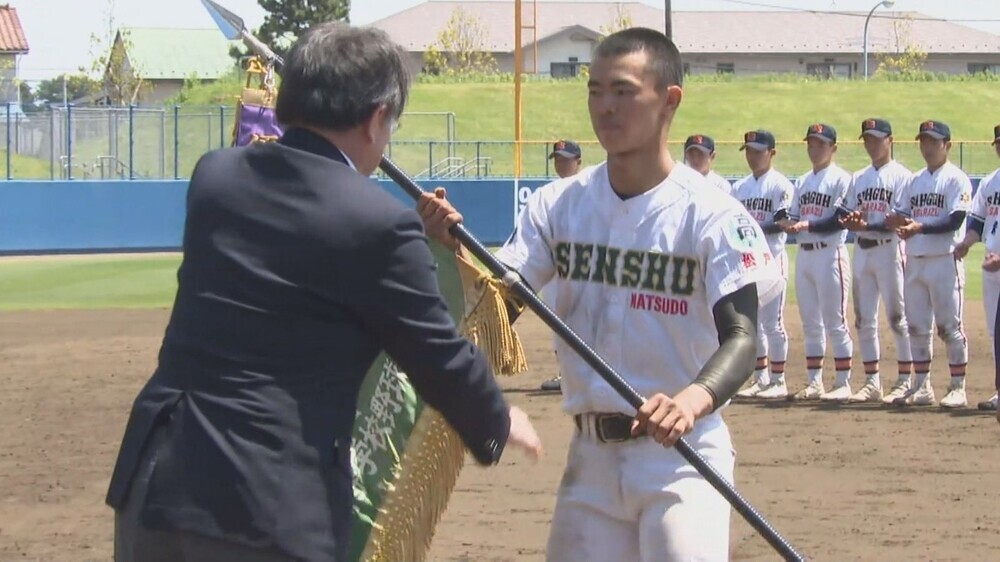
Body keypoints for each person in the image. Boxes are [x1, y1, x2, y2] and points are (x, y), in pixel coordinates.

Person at [106, 23, 541, 562]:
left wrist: (408, 244)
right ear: (377, 117)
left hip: (158, 485)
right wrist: (498, 420)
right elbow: (437, 356)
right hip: (267, 505)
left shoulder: (215, 178)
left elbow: (300, 257)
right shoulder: (379, 226)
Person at [420, 27, 782, 561]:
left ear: (669, 100)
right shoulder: (557, 206)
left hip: (682, 457)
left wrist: (690, 399)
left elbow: (743, 338)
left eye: (623, 91)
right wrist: (452, 253)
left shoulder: (712, 214)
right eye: (594, 91)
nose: (605, 108)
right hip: (590, 458)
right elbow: (500, 308)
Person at [886, 120, 971, 407]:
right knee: (917, 326)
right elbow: (900, 214)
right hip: (916, 260)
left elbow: (955, 220)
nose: (927, 146)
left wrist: (918, 227)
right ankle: (922, 386)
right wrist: (876, 222)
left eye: (933, 141)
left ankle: (958, 386)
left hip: (944, 260)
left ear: (947, 144)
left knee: (950, 327)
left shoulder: (956, 179)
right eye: (923, 140)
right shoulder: (914, 180)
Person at [839, 118, 914, 404]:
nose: (871, 144)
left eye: (876, 138)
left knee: (898, 317)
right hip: (864, 251)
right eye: (867, 139)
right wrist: (851, 221)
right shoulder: (858, 177)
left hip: (891, 250)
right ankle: (872, 381)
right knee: (863, 319)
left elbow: (902, 218)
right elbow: (845, 214)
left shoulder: (903, 176)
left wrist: (869, 225)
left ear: (890, 140)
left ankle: (906, 379)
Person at [779, 123, 854, 401]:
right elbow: (792, 214)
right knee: (810, 322)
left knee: (836, 320)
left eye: (821, 144)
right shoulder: (802, 181)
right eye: (811, 143)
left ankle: (844, 382)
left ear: (833, 147)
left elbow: (838, 220)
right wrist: (787, 223)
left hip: (830, 252)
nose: (815, 148)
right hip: (806, 256)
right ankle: (814, 382)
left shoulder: (841, 179)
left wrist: (804, 225)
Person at [731, 130, 795, 399]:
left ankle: (779, 380)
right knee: (753, 323)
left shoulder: (781, 185)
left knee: (773, 323)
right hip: (749, 263)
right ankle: (761, 377)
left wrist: (751, 228)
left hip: (773, 259)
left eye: (758, 151)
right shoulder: (740, 187)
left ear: (772, 153)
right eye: (749, 150)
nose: (752, 156)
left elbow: (783, 223)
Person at [953, 123, 1000, 411]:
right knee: (996, 332)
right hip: (991, 264)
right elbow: (978, 221)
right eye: (999, 143)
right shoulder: (990, 182)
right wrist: (966, 244)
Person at [539, 140, 585, 392]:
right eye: (557, 158)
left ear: (578, 162)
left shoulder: (589, 190)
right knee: (557, 320)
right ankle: (565, 373)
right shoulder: (548, 193)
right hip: (555, 269)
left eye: (566, 158)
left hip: (580, 267)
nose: (561, 163)